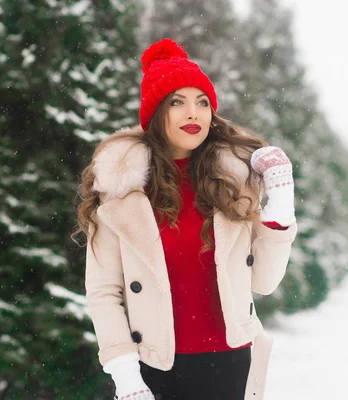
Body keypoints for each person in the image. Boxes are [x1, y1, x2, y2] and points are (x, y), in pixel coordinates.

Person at [74, 38, 297, 400]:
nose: (193, 113)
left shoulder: (229, 187)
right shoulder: (120, 191)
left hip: (231, 363)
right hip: (153, 370)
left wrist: (281, 200)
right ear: (155, 112)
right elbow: (104, 293)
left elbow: (265, 281)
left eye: (202, 102)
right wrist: (126, 377)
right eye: (177, 102)